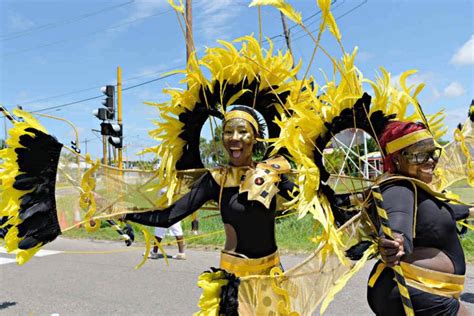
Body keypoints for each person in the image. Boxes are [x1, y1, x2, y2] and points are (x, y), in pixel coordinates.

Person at [125, 105, 295, 277]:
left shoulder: (272, 173)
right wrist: (124, 212)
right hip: (234, 276)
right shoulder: (215, 180)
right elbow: (167, 217)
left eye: (242, 131)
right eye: (228, 132)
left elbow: (307, 198)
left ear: (256, 136)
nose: (234, 138)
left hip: (272, 273)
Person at [367, 121, 474, 315]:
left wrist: (470, 211)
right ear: (398, 158)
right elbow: (397, 218)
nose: (431, 160)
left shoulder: (416, 189)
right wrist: (396, 241)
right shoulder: (399, 188)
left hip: (416, 290)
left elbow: (437, 212)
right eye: (420, 154)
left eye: (433, 153)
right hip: (415, 290)